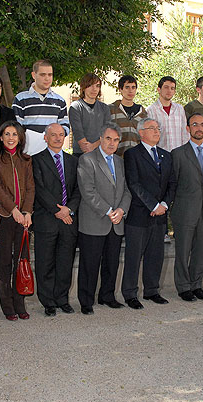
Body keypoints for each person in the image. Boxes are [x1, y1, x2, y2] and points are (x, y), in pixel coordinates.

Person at [76, 123, 131, 315]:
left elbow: (126, 190)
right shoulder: (87, 160)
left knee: (111, 262)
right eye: (109, 138)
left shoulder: (120, 162)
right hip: (95, 221)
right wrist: (109, 211)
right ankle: (86, 301)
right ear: (101, 138)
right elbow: (88, 191)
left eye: (116, 140)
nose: (112, 143)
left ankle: (107, 296)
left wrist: (122, 210)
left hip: (116, 222)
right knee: (89, 264)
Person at [122, 118, 176, 309]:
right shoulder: (131, 155)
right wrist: (153, 205)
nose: (156, 131)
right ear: (141, 133)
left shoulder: (166, 156)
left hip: (160, 214)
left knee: (156, 255)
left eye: (157, 128)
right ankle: (129, 294)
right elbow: (133, 183)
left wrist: (164, 204)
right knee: (134, 256)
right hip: (139, 214)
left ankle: (152, 290)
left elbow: (172, 184)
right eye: (151, 128)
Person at [31, 123, 80, 317]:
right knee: (45, 263)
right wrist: (57, 210)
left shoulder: (72, 161)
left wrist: (69, 210)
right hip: (47, 219)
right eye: (53, 135)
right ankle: (48, 301)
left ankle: (62, 299)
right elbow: (39, 189)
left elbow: (78, 189)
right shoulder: (36, 160)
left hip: (68, 220)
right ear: (46, 137)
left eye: (61, 135)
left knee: (65, 262)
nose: (58, 138)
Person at [170, 113, 203, 301]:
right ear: (188, 128)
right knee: (182, 252)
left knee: (200, 251)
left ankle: (196, 284)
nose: (199, 128)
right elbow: (172, 184)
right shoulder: (178, 153)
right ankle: (183, 287)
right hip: (184, 211)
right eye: (195, 124)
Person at [0, 121, 35, 321]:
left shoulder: (26, 160)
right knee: (5, 262)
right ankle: (7, 306)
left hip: (23, 218)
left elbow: (30, 187)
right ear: (0, 137)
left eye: (15, 134)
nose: (11, 138)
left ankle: (20, 302)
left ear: (20, 138)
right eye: (7, 134)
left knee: (22, 261)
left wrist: (26, 212)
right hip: (5, 216)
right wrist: (14, 210)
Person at [12, 60, 70, 156]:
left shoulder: (60, 101)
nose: (47, 78)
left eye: (50, 75)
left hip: (52, 154)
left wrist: (53, 136)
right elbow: (16, 127)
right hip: (28, 154)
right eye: (43, 75)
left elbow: (65, 126)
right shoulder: (20, 99)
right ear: (34, 75)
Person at [69, 73, 111, 157]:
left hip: (100, 154)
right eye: (90, 85)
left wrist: (93, 146)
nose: (94, 89)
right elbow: (78, 132)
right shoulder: (76, 107)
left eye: (97, 86)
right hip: (80, 154)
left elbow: (107, 132)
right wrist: (87, 148)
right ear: (83, 87)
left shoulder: (104, 108)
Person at [146, 76, 188, 152]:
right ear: (159, 89)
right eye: (166, 87)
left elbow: (185, 133)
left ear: (174, 91)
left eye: (172, 88)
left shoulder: (179, 109)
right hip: (160, 154)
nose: (169, 91)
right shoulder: (151, 110)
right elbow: (149, 136)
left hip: (179, 153)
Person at [109, 75, 147, 156]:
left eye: (133, 87)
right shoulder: (111, 109)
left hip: (137, 158)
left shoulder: (142, 112)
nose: (130, 91)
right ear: (120, 89)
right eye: (127, 87)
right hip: (116, 157)